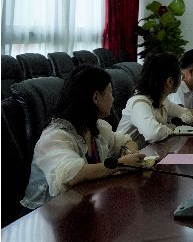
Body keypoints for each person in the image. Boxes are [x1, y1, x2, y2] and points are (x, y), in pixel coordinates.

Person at [21, 66, 145, 210]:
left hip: (80, 206)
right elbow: (72, 175)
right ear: (96, 97)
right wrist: (122, 163)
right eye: (111, 92)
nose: (113, 99)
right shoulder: (55, 136)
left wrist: (130, 152)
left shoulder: (95, 126)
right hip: (44, 215)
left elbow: (123, 140)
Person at [117, 53, 193, 148]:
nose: (181, 80)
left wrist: (171, 126)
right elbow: (154, 134)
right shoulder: (139, 103)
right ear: (170, 81)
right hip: (128, 156)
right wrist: (172, 127)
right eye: (180, 77)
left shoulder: (163, 100)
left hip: (150, 152)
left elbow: (187, 114)